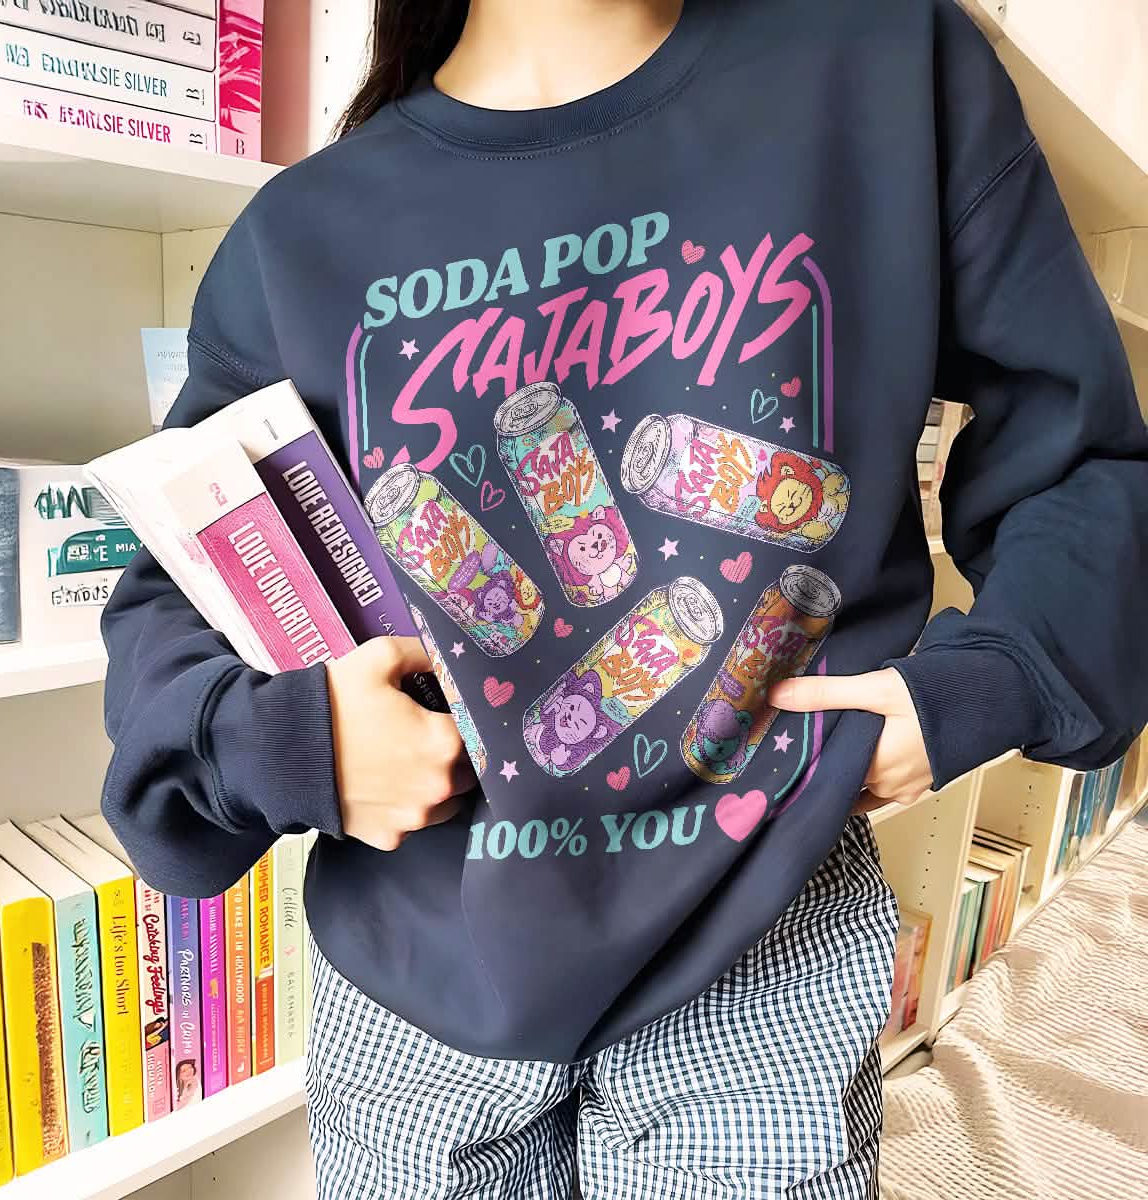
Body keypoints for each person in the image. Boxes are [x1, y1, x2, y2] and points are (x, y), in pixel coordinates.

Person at [99, 1, 1148, 1195]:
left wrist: (980, 686)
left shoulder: (887, 68)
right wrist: (301, 742)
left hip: (763, 947)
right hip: (418, 979)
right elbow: (180, 576)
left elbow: (1084, 455)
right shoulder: (297, 232)